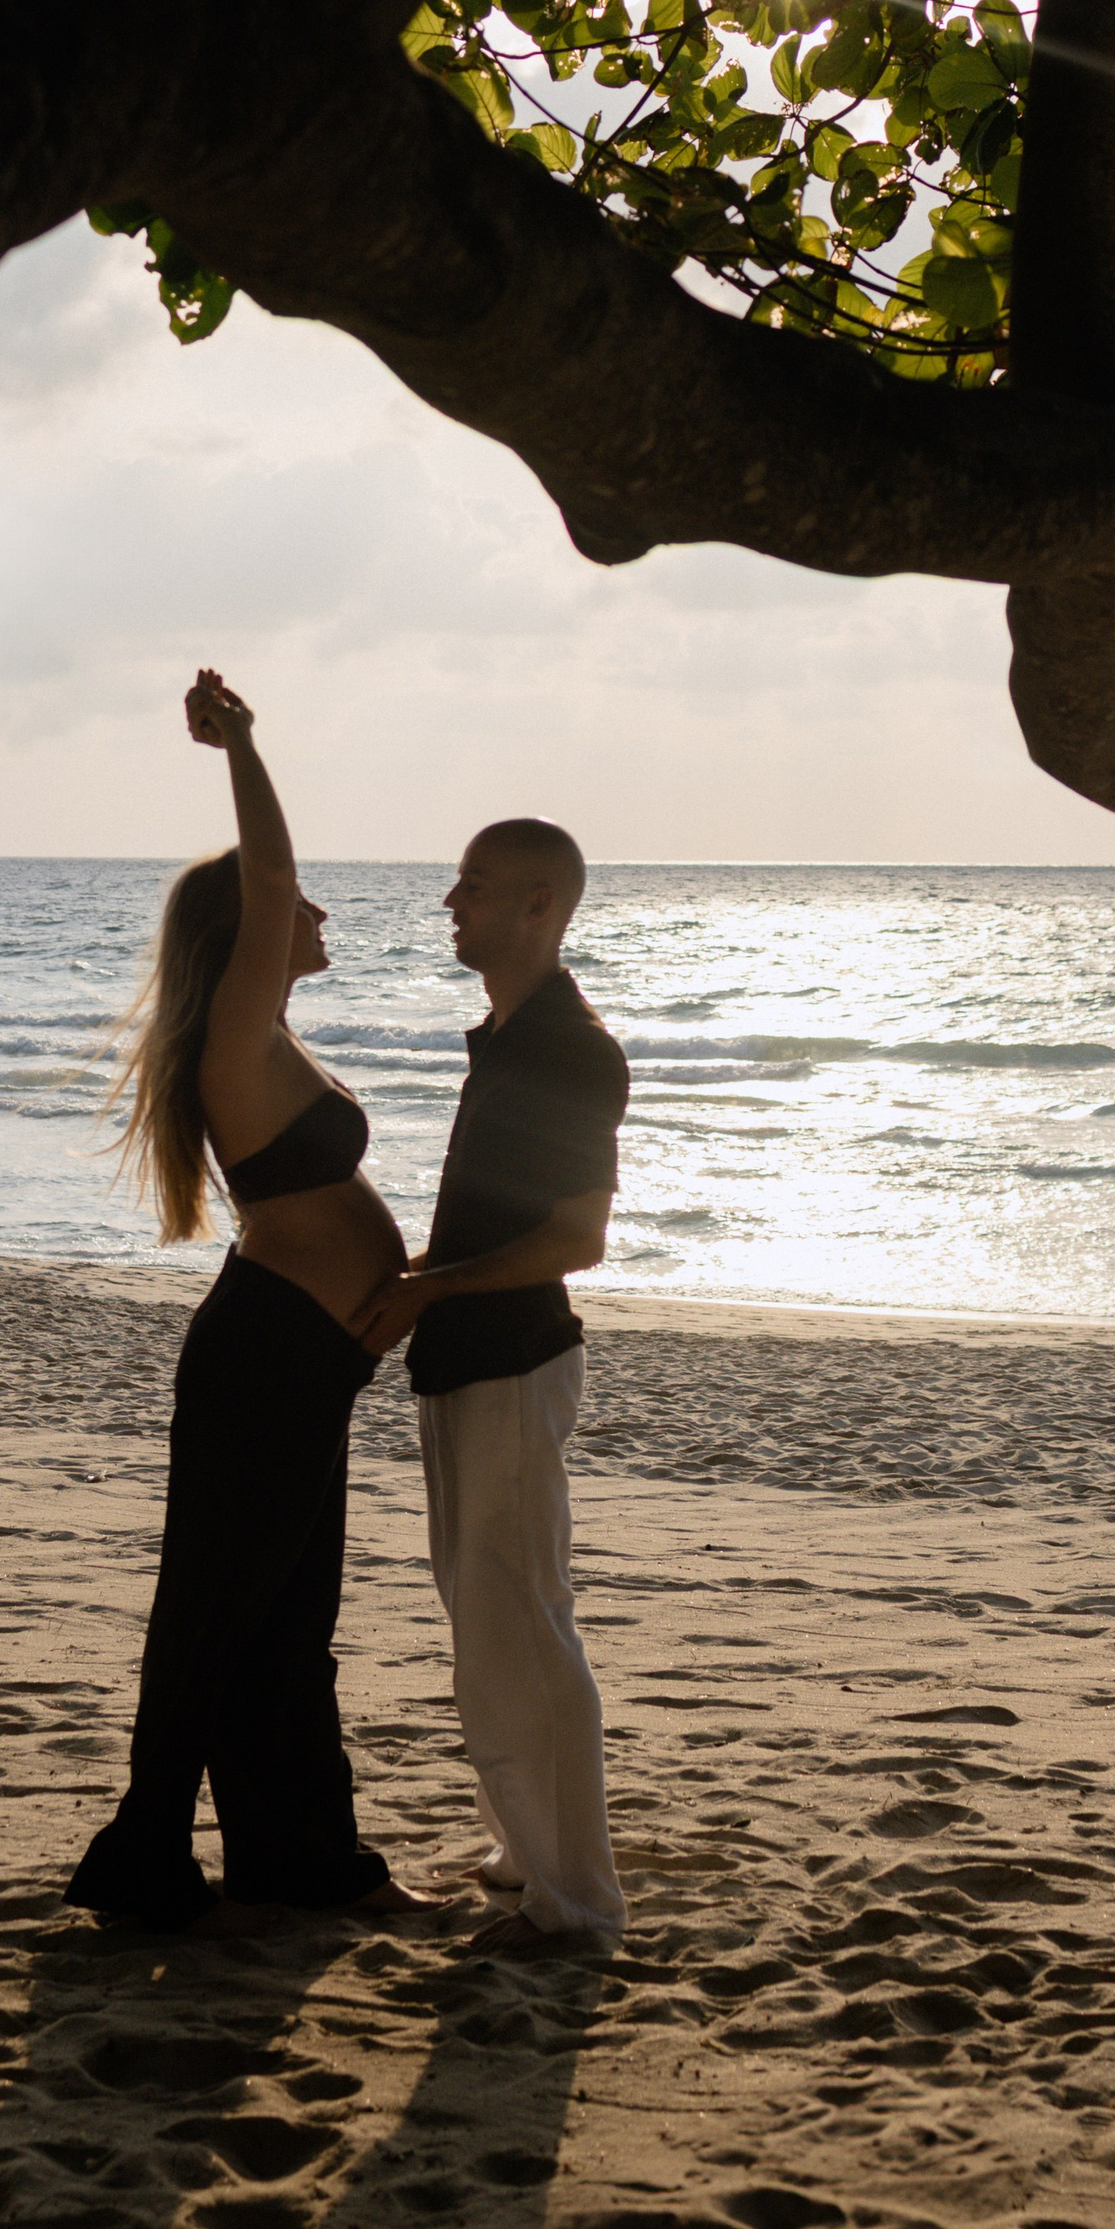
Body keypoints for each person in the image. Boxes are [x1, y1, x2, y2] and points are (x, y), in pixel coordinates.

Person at [65, 668, 433, 1936]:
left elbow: (276, 891)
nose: (318, 907)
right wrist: (245, 746)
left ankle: (288, 1862)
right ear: (249, 929)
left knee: (281, 1620)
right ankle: (166, 1860)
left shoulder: (266, 1035)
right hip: (267, 1355)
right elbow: (273, 876)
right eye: (292, 904)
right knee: (229, 1616)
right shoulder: (237, 1032)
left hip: (298, 1361)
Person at [359, 821, 630, 1955]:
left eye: (469, 884)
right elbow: (491, 1221)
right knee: (489, 1624)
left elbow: (574, 1239)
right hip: (470, 1357)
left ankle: (574, 1904)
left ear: (534, 902)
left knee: (522, 1626)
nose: (447, 901)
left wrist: (427, 1290)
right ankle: (524, 1854)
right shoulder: (513, 1038)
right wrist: (413, 1280)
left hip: (512, 1358)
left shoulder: (568, 1046)